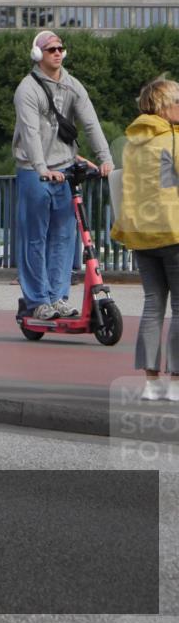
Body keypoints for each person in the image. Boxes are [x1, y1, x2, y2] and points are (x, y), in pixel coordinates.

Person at [13, 31, 113, 321]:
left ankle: (58, 297)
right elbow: (30, 134)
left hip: (66, 167)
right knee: (34, 237)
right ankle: (37, 300)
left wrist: (105, 159)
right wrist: (42, 168)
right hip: (35, 170)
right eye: (50, 50)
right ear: (38, 55)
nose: (57, 53)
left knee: (64, 236)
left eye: (60, 48)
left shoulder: (72, 85)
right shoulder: (27, 89)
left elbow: (91, 122)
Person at [110, 75, 179, 401]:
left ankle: (152, 382)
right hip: (173, 230)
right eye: (177, 101)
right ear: (164, 106)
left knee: (153, 305)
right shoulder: (173, 140)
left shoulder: (133, 143)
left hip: (141, 234)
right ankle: (177, 382)